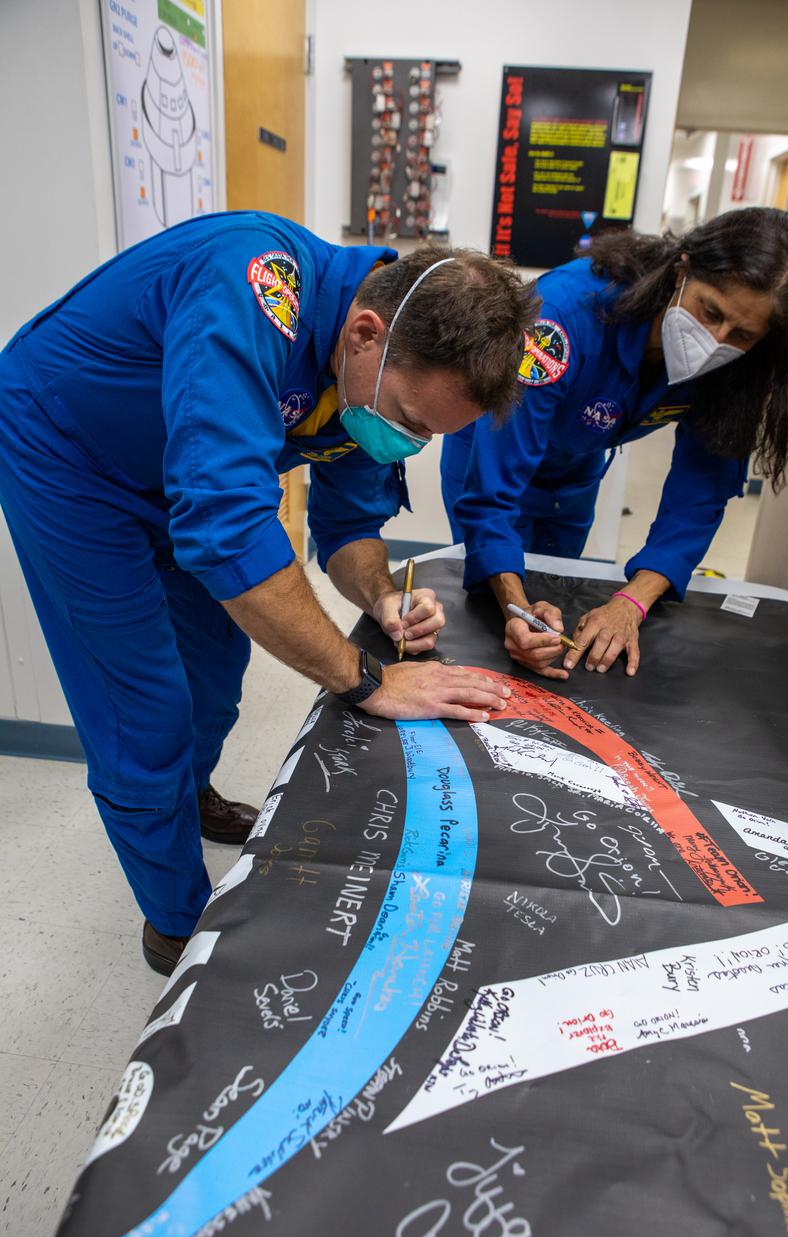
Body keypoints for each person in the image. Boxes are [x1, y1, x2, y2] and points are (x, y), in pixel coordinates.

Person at [0, 214, 538, 973]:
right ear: (362, 332)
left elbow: (349, 524)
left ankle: (185, 798)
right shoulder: (253, 283)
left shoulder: (368, 377)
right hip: (69, 458)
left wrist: (382, 596)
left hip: (173, 472)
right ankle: (175, 922)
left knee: (216, 679)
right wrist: (368, 680)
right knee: (143, 709)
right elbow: (221, 525)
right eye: (410, 423)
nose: (408, 443)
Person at [441, 207, 788, 682]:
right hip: (491, 451)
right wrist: (517, 611)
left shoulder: (738, 370)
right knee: (494, 620)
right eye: (710, 311)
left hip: (575, 469)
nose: (716, 341)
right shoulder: (564, 315)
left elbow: (700, 495)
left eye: (742, 335)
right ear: (682, 270)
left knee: (559, 604)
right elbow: (492, 491)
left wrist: (631, 602)